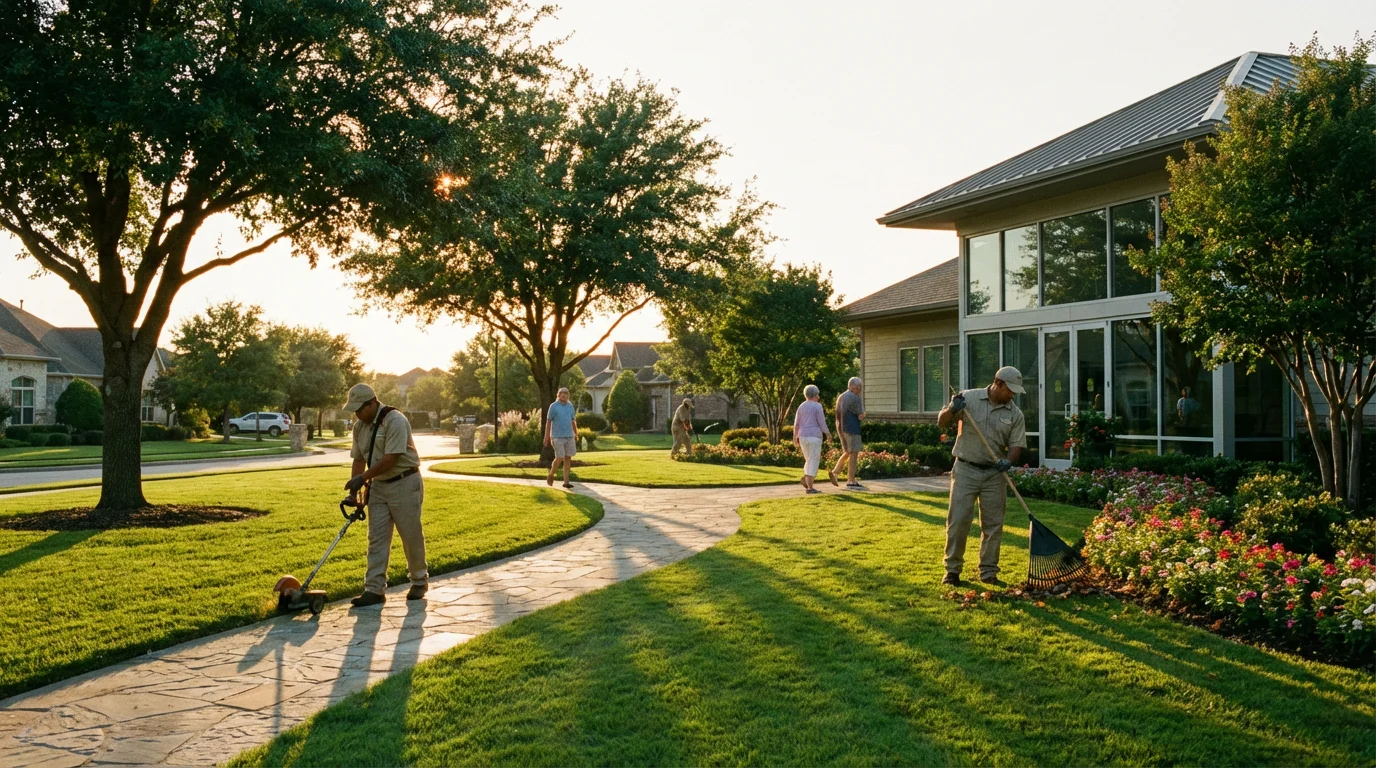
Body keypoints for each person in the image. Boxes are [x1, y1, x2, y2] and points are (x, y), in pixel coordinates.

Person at [937, 366, 1027, 588]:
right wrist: (951, 408)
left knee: (993, 525)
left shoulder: (1015, 413)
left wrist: (1009, 460)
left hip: (994, 474)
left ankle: (988, 572)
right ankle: (952, 570)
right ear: (998, 383)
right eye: (1010, 389)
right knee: (958, 521)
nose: (1013, 394)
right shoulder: (967, 398)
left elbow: (1016, 444)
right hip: (966, 469)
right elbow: (942, 422)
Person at [342, 383, 427, 607]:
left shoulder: (395, 420)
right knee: (376, 538)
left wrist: (363, 478)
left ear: (372, 403)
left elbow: (391, 458)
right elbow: (359, 459)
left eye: (359, 409)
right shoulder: (359, 427)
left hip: (405, 483)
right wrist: (354, 492)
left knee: (410, 535)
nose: (357, 414)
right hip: (378, 487)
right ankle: (374, 589)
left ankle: (419, 581)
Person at [793, 384, 831, 494]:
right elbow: (821, 422)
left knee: (809, 459)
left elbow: (796, 424)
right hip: (814, 436)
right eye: (818, 394)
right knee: (813, 460)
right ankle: (810, 487)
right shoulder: (817, 406)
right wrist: (827, 433)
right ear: (815, 395)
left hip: (803, 436)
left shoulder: (801, 406)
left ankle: (806, 479)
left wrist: (795, 437)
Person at [831, 377, 865, 489]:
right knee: (854, 454)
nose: (860, 389)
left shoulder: (841, 397)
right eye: (859, 387)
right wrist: (863, 415)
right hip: (852, 428)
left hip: (840, 427)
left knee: (847, 451)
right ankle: (851, 480)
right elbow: (860, 415)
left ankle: (835, 472)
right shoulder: (855, 398)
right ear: (856, 387)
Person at [545, 387, 578, 489]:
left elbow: (573, 420)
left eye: (566, 393)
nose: (563, 395)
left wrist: (576, 433)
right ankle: (551, 475)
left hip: (569, 436)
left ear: (568, 395)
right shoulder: (553, 406)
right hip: (557, 436)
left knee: (568, 458)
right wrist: (546, 436)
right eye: (561, 393)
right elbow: (549, 421)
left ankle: (566, 482)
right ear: (558, 395)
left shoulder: (570, 406)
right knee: (559, 457)